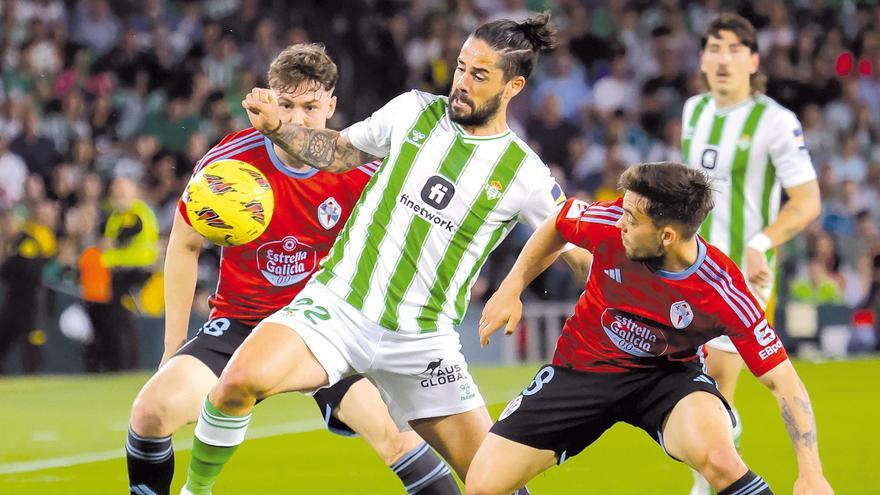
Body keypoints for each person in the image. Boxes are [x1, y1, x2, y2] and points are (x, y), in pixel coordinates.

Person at [181, 13, 592, 495]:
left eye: (479, 76)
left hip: (423, 342)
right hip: (337, 307)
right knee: (235, 384)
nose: (461, 83)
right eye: (460, 67)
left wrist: (515, 286)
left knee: (490, 482)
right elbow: (336, 151)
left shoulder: (523, 171)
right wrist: (278, 128)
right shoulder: (413, 111)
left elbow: (574, 245)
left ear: (514, 85)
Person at [127, 44, 458, 495]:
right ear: (268, 100)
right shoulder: (230, 163)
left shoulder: (359, 169)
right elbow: (184, 245)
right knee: (150, 413)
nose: (297, 120)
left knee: (398, 439)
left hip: (327, 330)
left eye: (310, 107)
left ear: (331, 107)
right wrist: (172, 346)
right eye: (286, 105)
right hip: (241, 324)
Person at [467, 163, 833, 495]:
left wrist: (811, 473)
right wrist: (510, 288)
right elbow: (557, 224)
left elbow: (784, 380)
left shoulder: (721, 291)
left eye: (631, 217)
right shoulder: (610, 222)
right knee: (483, 486)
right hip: (583, 368)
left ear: (668, 236)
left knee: (722, 461)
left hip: (667, 379)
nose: (620, 221)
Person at [680, 14, 821, 494]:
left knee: (715, 386)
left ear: (754, 60)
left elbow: (807, 200)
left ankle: (717, 480)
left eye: (735, 49)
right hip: (688, 270)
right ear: (701, 58)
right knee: (694, 388)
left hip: (742, 276)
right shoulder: (693, 111)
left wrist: (762, 241)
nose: (723, 58)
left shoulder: (777, 122)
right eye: (714, 47)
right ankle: (718, 462)